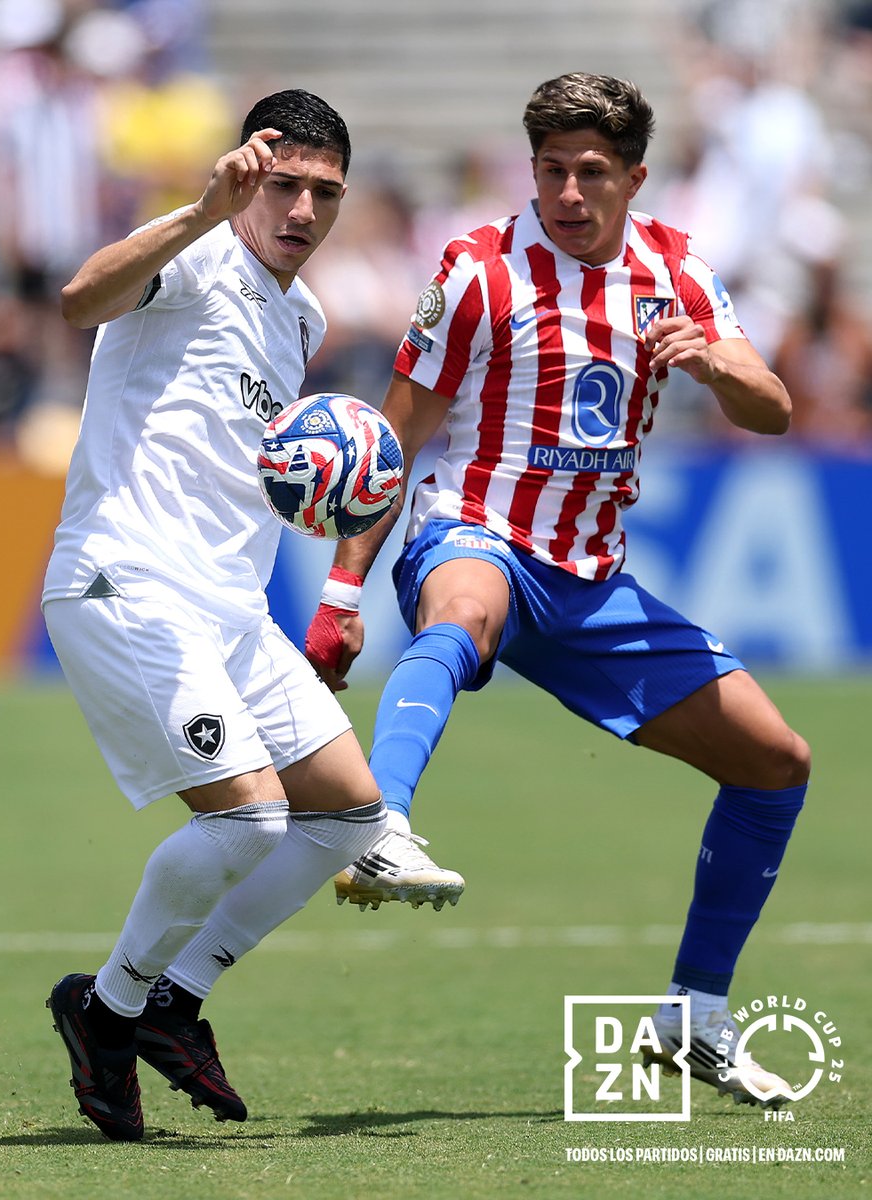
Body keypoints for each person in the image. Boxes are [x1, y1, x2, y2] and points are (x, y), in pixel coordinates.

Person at [304, 72, 810, 1106]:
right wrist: (343, 594)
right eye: (550, 170)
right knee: (464, 609)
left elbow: (774, 408)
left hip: (591, 581)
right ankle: (380, 827)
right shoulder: (479, 269)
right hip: (472, 529)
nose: (568, 193)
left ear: (634, 178)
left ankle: (695, 1016)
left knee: (776, 763)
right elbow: (395, 437)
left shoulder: (677, 271)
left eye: (590, 172)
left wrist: (714, 364)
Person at [41, 89, 387, 1142]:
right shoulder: (194, 253)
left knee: (350, 813)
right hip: (127, 580)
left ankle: (172, 998)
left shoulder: (304, 315)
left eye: (325, 192)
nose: (303, 209)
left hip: (229, 608)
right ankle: (108, 1009)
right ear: (250, 174)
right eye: (285, 185)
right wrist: (201, 210)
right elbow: (78, 300)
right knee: (248, 817)